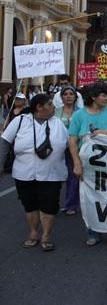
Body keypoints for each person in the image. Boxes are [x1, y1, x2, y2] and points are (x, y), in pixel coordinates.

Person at [0, 94, 68, 251]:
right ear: (39, 107)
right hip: (24, 173)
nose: (54, 107)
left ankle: (46, 236)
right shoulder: (20, 121)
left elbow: (70, 144)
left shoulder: (58, 124)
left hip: (52, 174)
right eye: (50, 104)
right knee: (30, 205)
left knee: (49, 206)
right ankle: (33, 233)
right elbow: (4, 142)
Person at [68, 82, 107, 246]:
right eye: (103, 95)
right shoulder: (79, 115)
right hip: (88, 166)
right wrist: (76, 163)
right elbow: (72, 141)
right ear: (93, 97)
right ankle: (93, 231)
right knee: (90, 199)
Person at [55, 86, 80, 216]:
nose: (68, 96)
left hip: (75, 148)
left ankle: (71, 204)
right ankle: (53, 203)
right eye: (65, 94)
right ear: (62, 97)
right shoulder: (55, 112)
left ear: (75, 97)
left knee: (73, 176)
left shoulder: (81, 112)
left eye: (71, 94)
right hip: (57, 149)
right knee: (56, 175)